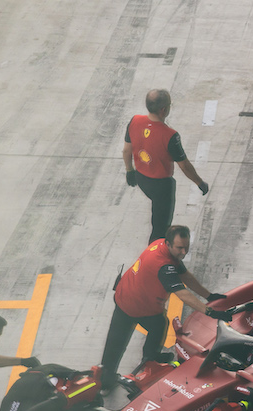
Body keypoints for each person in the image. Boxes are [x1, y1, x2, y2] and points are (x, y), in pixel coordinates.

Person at [98, 226, 230, 387]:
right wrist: (209, 311)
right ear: (169, 244)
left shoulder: (161, 245)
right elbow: (181, 293)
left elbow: (184, 275)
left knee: (140, 332)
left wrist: (208, 295)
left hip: (125, 295)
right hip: (135, 305)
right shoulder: (163, 266)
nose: (183, 252)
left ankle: (140, 363)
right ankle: (137, 367)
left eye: (186, 247)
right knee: (136, 334)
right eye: (180, 248)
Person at [123, 89, 210, 244]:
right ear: (164, 110)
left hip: (142, 178)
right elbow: (184, 166)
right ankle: (154, 261)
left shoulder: (134, 121)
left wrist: (130, 171)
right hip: (161, 187)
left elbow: (126, 150)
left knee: (158, 224)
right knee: (160, 229)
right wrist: (199, 182)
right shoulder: (170, 135)